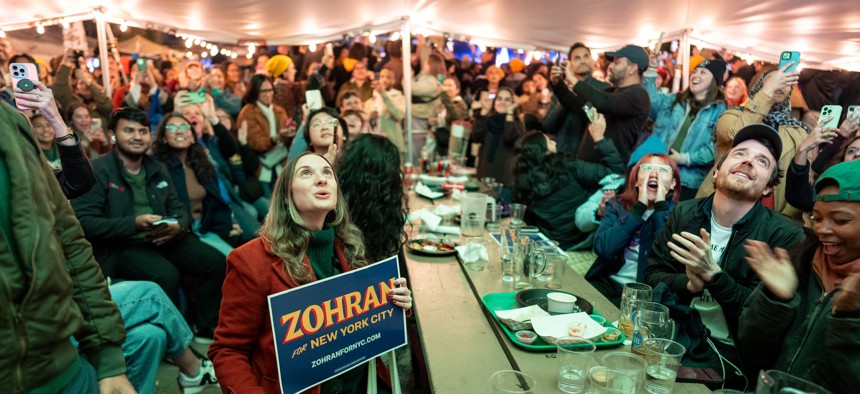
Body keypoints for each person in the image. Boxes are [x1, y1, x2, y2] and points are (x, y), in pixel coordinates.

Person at [208, 152, 413, 393]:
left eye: (327, 172)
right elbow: (228, 351)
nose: (321, 179)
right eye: (306, 173)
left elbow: (364, 323)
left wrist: (396, 303)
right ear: (287, 195)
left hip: (365, 384)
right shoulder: (251, 260)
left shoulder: (351, 244)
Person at [645, 124, 805, 387]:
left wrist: (714, 276)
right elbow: (651, 276)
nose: (748, 161)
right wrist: (689, 285)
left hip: (730, 355)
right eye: (740, 153)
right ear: (717, 171)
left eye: (762, 161)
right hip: (675, 333)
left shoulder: (783, 236)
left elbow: (764, 320)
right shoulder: (685, 213)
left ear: (767, 188)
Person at [1, 84, 134, 393]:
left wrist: (108, 359)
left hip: (59, 360)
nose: (44, 130)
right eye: (41, 126)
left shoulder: (10, 125)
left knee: (150, 332)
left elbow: (70, 230)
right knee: (151, 301)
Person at [70, 107, 226, 341]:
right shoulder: (98, 170)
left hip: (163, 238)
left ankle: (203, 326)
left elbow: (179, 209)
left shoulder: (157, 168)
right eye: (129, 131)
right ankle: (174, 342)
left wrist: (178, 226)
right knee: (166, 275)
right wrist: (134, 224)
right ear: (113, 135)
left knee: (215, 262)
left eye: (142, 131)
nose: (137, 136)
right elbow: (85, 223)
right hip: (122, 246)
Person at [739, 160, 860, 393]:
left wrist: (850, 320)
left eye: (840, 220)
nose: (822, 230)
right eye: (817, 218)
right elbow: (752, 351)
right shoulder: (799, 263)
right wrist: (775, 301)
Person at [696, 64, 807, 218]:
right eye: (773, 80)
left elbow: (800, 181)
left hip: (768, 214)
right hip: (720, 204)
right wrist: (767, 93)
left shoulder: (798, 132)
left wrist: (785, 218)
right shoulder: (732, 115)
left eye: (786, 82)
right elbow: (735, 133)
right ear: (760, 86)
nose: (780, 84)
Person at [513, 115, 625, 250]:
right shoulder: (567, 166)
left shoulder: (522, 182)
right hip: (581, 238)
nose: (554, 143)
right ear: (543, 152)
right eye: (549, 142)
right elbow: (616, 173)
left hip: (552, 241)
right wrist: (599, 139)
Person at [586, 153, 681, 305]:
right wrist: (638, 209)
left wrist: (660, 209)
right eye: (647, 168)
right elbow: (603, 249)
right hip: (606, 282)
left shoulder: (680, 214)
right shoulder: (617, 205)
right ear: (636, 180)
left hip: (645, 295)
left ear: (672, 184)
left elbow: (669, 261)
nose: (654, 174)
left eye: (663, 170)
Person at [151, 113, 240, 256]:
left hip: (203, 228)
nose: (179, 131)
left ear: (192, 137)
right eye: (172, 127)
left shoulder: (201, 165)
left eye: (184, 127)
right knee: (223, 262)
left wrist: (228, 222)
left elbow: (215, 201)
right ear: (164, 138)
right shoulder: (157, 168)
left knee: (236, 259)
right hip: (179, 234)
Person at [645, 53, 728, 199]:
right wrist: (652, 68)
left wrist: (683, 159)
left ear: (714, 81)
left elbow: (715, 149)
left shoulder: (720, 112)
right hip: (657, 170)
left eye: (703, 72)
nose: (695, 75)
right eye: (695, 71)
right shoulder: (675, 100)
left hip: (686, 182)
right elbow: (649, 102)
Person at [551, 44, 651, 164]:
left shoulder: (639, 95)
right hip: (588, 166)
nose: (611, 66)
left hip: (609, 168)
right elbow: (577, 105)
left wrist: (573, 78)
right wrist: (558, 84)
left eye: (617, 62)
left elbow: (605, 102)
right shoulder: (610, 91)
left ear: (632, 69)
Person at [543, 43, 610, 154]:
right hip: (561, 153)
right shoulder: (560, 88)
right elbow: (548, 127)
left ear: (592, 60)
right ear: (569, 63)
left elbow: (599, 121)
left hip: (587, 153)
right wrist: (564, 96)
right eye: (577, 58)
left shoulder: (603, 88)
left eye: (586, 56)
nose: (582, 61)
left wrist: (577, 95)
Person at [471, 87, 525, 188]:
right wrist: (484, 112)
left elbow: (509, 137)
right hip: (485, 174)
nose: (502, 102)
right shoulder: (489, 120)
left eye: (507, 100)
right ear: (494, 102)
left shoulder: (517, 124)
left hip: (505, 179)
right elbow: (477, 136)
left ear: (513, 103)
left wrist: (510, 113)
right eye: (499, 99)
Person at [370, 68, 407, 161]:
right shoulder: (374, 96)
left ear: (393, 80)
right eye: (382, 76)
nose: (384, 79)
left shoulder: (398, 96)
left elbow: (399, 115)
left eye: (388, 77)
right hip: (376, 144)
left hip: (393, 143)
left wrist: (383, 95)